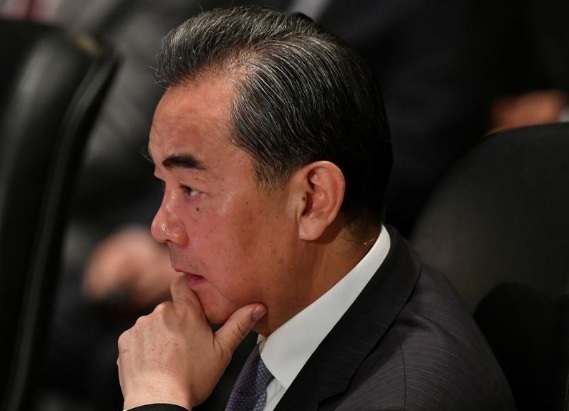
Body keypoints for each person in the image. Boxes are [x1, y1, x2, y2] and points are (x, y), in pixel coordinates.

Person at [117, 6, 515, 411]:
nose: (161, 227)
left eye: (191, 189)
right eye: (163, 185)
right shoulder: (293, 307)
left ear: (312, 201)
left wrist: (156, 396)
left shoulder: (405, 397)